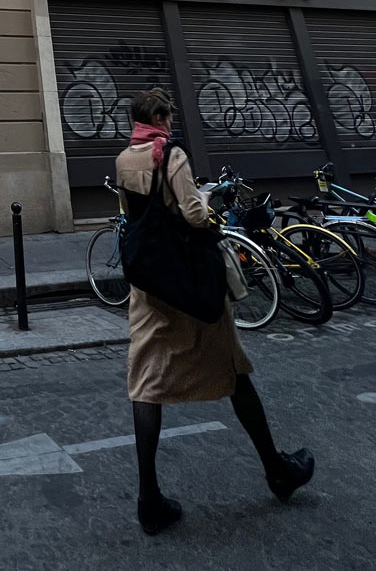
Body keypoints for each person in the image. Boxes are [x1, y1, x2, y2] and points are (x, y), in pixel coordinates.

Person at [116, 86, 314, 536]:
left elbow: (134, 214)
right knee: (233, 369)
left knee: (145, 380)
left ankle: (149, 500)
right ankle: (277, 471)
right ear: (163, 116)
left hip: (150, 286)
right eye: (168, 114)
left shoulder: (124, 159)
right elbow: (193, 215)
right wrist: (204, 198)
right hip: (189, 281)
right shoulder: (172, 155)